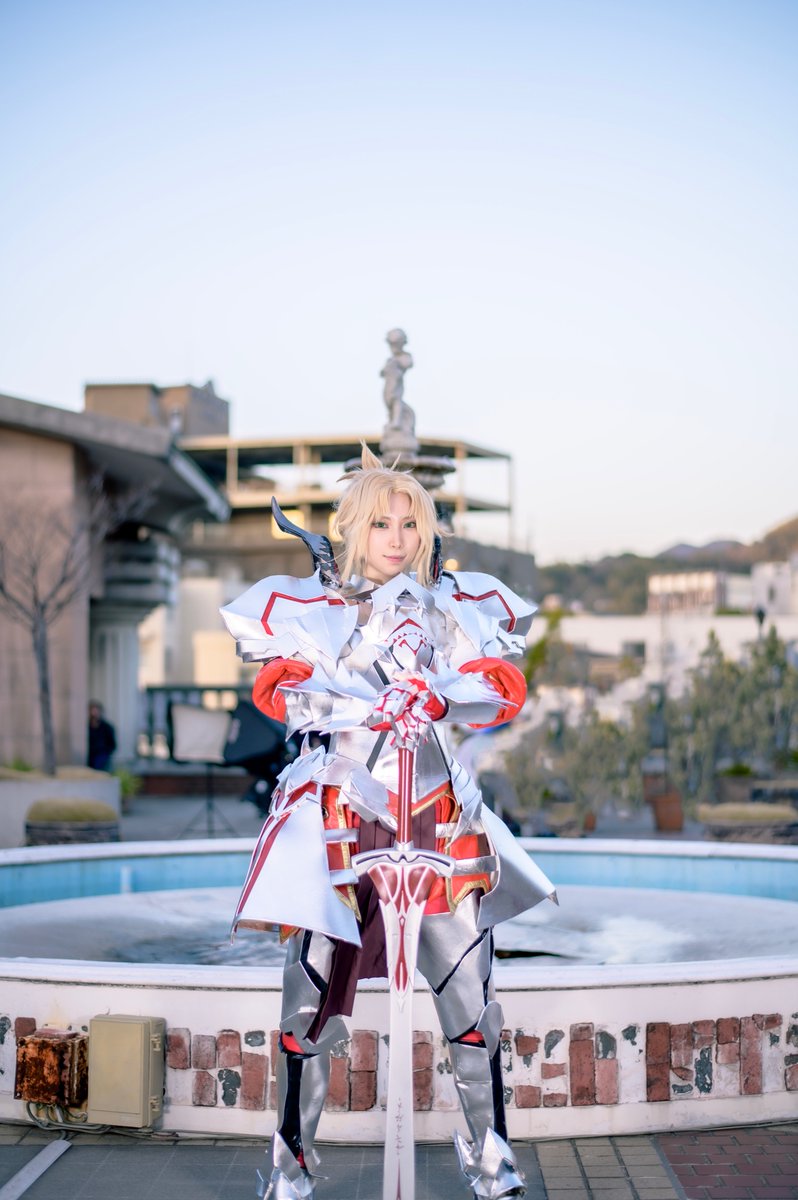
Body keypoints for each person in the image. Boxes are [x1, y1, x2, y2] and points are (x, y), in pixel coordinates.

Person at [221, 447, 556, 1200]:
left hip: (438, 819)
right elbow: (278, 687)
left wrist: (440, 695)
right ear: (353, 528)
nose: (397, 539)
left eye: (409, 523)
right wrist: (352, 700)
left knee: (472, 1009)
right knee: (306, 1007)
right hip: (342, 821)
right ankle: (291, 1168)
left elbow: (502, 686)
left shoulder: (456, 608)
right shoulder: (315, 611)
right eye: (380, 523)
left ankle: (493, 1164)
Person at [87, 701, 116, 772]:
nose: (94, 714)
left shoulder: (107, 727)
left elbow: (112, 744)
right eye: (92, 711)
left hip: (102, 757)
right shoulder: (86, 727)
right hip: (89, 757)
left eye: (96, 711)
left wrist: (105, 753)